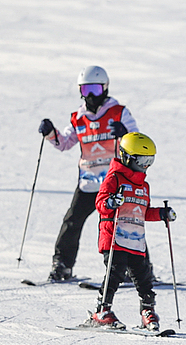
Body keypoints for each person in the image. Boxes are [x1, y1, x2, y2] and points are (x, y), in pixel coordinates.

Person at [38, 66, 137, 282]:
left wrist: (125, 134)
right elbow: (64, 143)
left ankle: (135, 270)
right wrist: (50, 133)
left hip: (114, 182)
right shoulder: (78, 118)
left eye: (94, 89)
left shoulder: (119, 113)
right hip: (88, 182)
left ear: (105, 88)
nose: (90, 95)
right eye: (85, 90)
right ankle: (62, 265)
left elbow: (137, 143)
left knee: (123, 223)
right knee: (72, 222)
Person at [86, 133, 175, 331]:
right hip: (114, 237)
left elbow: (143, 212)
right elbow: (100, 203)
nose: (146, 165)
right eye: (143, 160)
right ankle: (102, 310)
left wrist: (161, 213)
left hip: (136, 241)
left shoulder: (143, 186)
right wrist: (111, 202)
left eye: (150, 160)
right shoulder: (114, 179)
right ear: (127, 157)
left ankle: (147, 311)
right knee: (115, 273)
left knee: (144, 277)